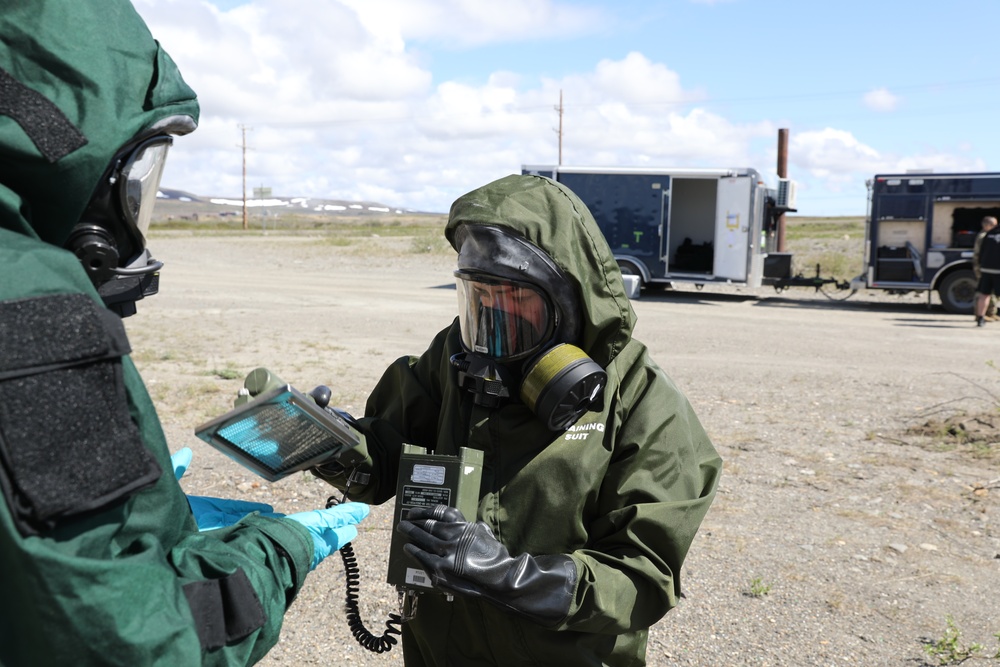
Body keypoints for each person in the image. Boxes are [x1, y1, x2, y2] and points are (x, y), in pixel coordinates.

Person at [0, 2, 368, 665]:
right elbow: (130, 642)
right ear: (62, 142)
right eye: (137, 176)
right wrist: (276, 551)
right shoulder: (27, 301)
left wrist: (140, 510)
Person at [313, 173, 723, 666]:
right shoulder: (454, 355)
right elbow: (384, 455)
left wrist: (511, 576)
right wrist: (332, 445)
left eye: (513, 295)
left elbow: (642, 577)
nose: (491, 312)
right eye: (478, 293)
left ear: (566, 297)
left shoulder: (639, 396)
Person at [973, 215, 999, 323]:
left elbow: (981, 253)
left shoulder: (988, 235)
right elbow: (978, 253)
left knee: (985, 294)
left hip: (986, 267)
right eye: (993, 224)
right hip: (995, 269)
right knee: (984, 294)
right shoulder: (984, 235)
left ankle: (983, 316)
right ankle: (983, 314)